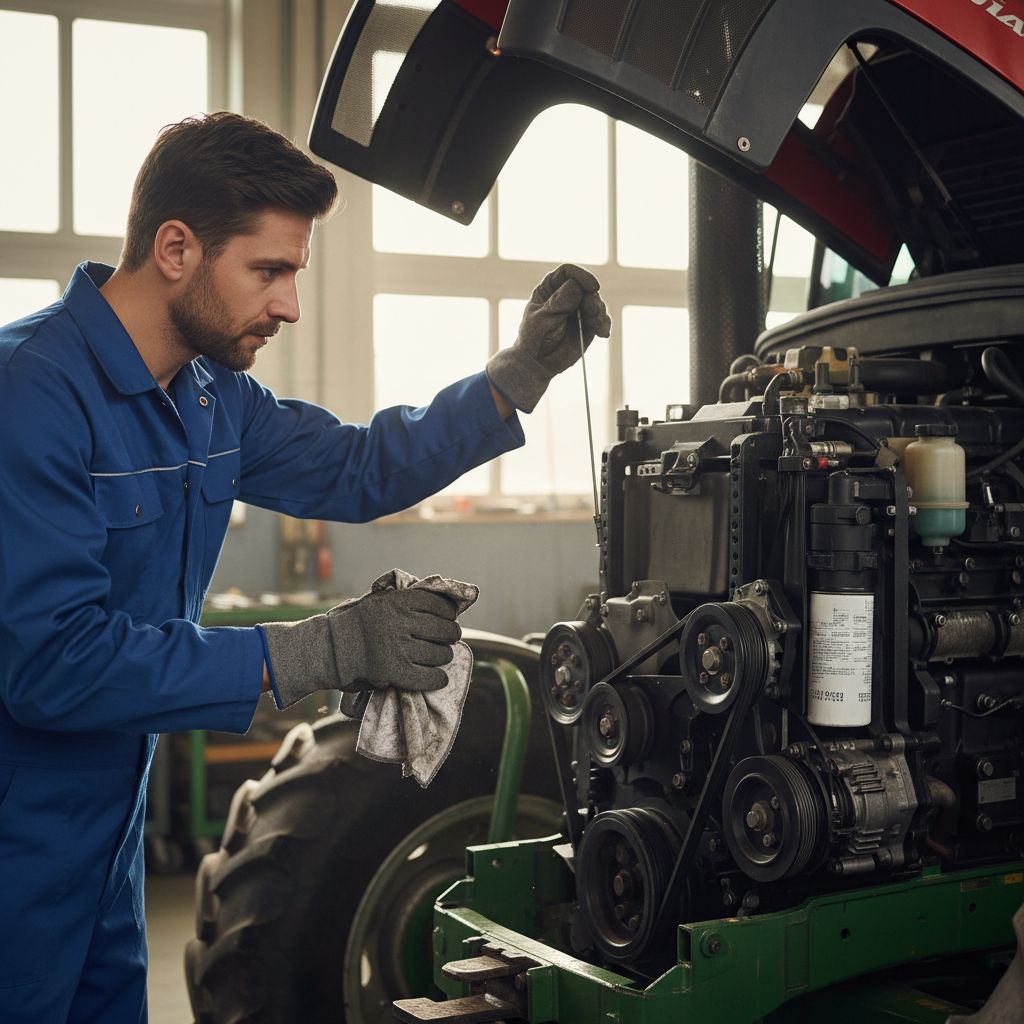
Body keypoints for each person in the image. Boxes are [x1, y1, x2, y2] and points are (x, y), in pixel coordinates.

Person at [0, 111, 610, 1023]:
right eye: (269, 271)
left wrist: (513, 379)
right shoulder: (30, 392)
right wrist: (313, 651)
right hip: (17, 821)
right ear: (175, 248)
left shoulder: (214, 398)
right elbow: (50, 664)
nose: (288, 304)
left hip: (109, 820)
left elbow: (360, 467)